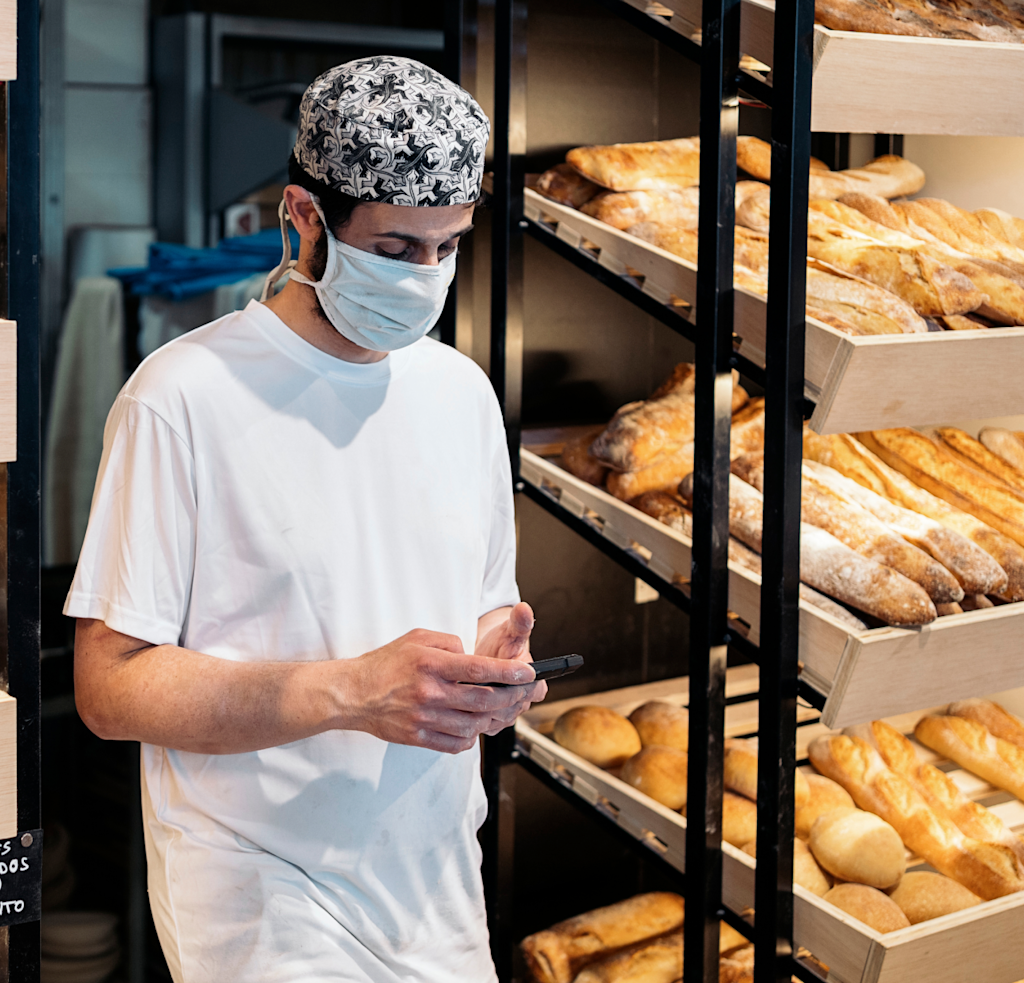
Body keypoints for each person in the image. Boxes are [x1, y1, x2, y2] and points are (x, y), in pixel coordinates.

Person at [67, 56, 546, 982]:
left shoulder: (462, 393)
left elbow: (480, 600)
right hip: (262, 904)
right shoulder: (183, 397)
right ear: (303, 217)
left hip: (436, 885)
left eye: (449, 246)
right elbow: (109, 686)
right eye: (396, 249)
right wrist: (352, 691)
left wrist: (492, 669)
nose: (426, 277)